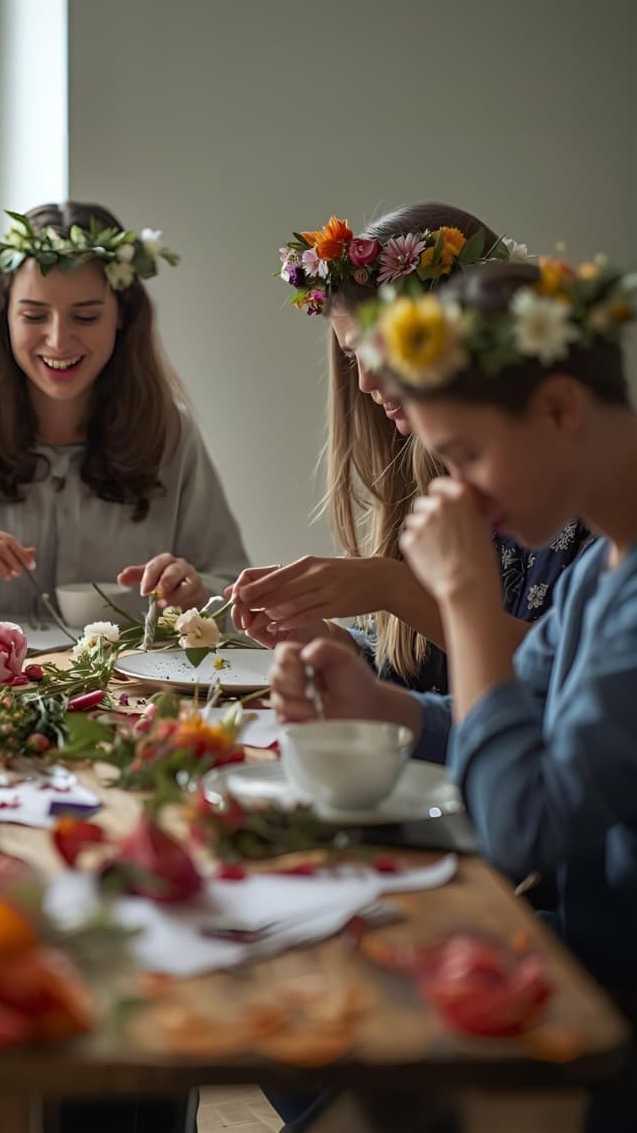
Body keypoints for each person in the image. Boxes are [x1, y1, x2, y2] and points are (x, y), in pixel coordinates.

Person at [270, 258, 637, 1131]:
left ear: (558, 410)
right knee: (296, 1001)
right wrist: (385, 706)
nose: (457, 491)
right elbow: (522, 714)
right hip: (577, 956)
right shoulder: (606, 568)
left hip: (607, 1003)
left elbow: (525, 825)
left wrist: (466, 601)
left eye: (467, 455)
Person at [228, 205, 592, 696]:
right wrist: (331, 643)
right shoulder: (431, 479)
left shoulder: (586, 513)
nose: (365, 382)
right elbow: (427, 681)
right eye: (354, 357)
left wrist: (395, 589)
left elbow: (564, 686)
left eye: (383, 351)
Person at [0, 202, 249, 621]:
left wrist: (197, 593)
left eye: (86, 316)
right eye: (34, 315)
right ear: (4, 320)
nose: (58, 341)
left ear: (122, 317)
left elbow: (235, 589)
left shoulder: (170, 436)